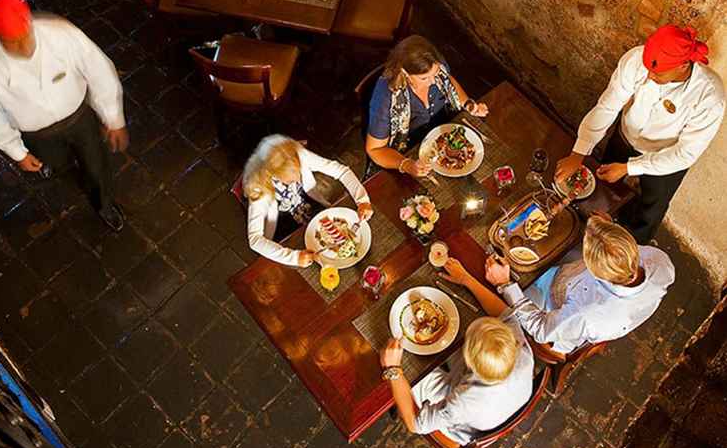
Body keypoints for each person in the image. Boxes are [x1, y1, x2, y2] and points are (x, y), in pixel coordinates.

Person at [0, 0, 129, 231]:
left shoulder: (61, 35)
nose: (23, 45)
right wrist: (18, 153)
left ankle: (104, 204)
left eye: (25, 34)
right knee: (57, 163)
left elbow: (99, 71)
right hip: (38, 136)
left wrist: (113, 117)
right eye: (13, 41)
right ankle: (61, 168)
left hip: (79, 119)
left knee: (96, 165)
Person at [555, 24, 725, 243]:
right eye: (649, 68)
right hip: (626, 137)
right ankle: (593, 233)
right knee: (604, 190)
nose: (650, 75)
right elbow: (608, 106)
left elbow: (685, 154)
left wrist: (630, 167)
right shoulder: (637, 60)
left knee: (649, 211)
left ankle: (631, 250)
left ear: (683, 65)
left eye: (658, 73)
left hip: (667, 157)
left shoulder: (710, 96)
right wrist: (579, 153)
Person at [442, 213, 675, 355]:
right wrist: (605, 229)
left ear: (596, 271)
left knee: (495, 305)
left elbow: (542, 330)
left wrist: (505, 284)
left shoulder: (588, 312)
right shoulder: (659, 261)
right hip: (570, 275)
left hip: (553, 307)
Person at [379, 276, 534, 444]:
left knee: (410, 374)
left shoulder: (461, 403)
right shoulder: (519, 348)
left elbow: (414, 424)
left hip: (464, 424)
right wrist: (467, 279)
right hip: (504, 399)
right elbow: (505, 313)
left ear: (470, 361)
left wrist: (393, 368)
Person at [365, 35, 489, 178]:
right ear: (404, 72)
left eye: (435, 73)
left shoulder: (436, 66)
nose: (433, 81)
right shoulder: (386, 96)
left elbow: (448, 80)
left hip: (444, 134)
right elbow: (375, 149)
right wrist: (406, 165)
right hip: (409, 149)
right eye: (424, 78)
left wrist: (468, 104)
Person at [243, 135, 373, 267]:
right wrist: (294, 258)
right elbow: (255, 239)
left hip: (315, 212)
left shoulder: (296, 154)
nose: (299, 178)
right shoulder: (259, 187)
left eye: (299, 172)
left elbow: (341, 171)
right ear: (274, 174)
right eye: (291, 179)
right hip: (285, 237)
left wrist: (362, 200)